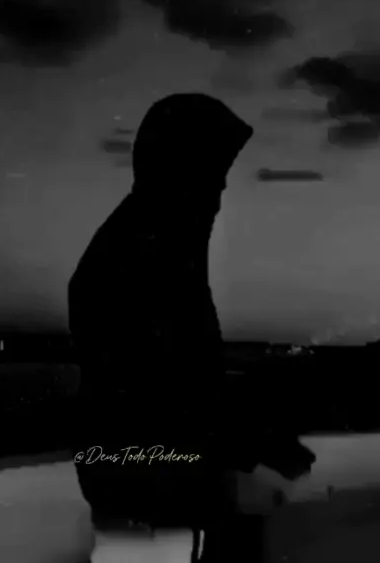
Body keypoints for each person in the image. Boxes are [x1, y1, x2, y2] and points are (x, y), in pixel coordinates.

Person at [68, 93, 314, 561]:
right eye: (210, 178)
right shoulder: (138, 262)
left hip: (153, 501)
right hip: (148, 504)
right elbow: (161, 397)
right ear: (175, 172)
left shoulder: (145, 253)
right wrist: (254, 442)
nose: (217, 196)